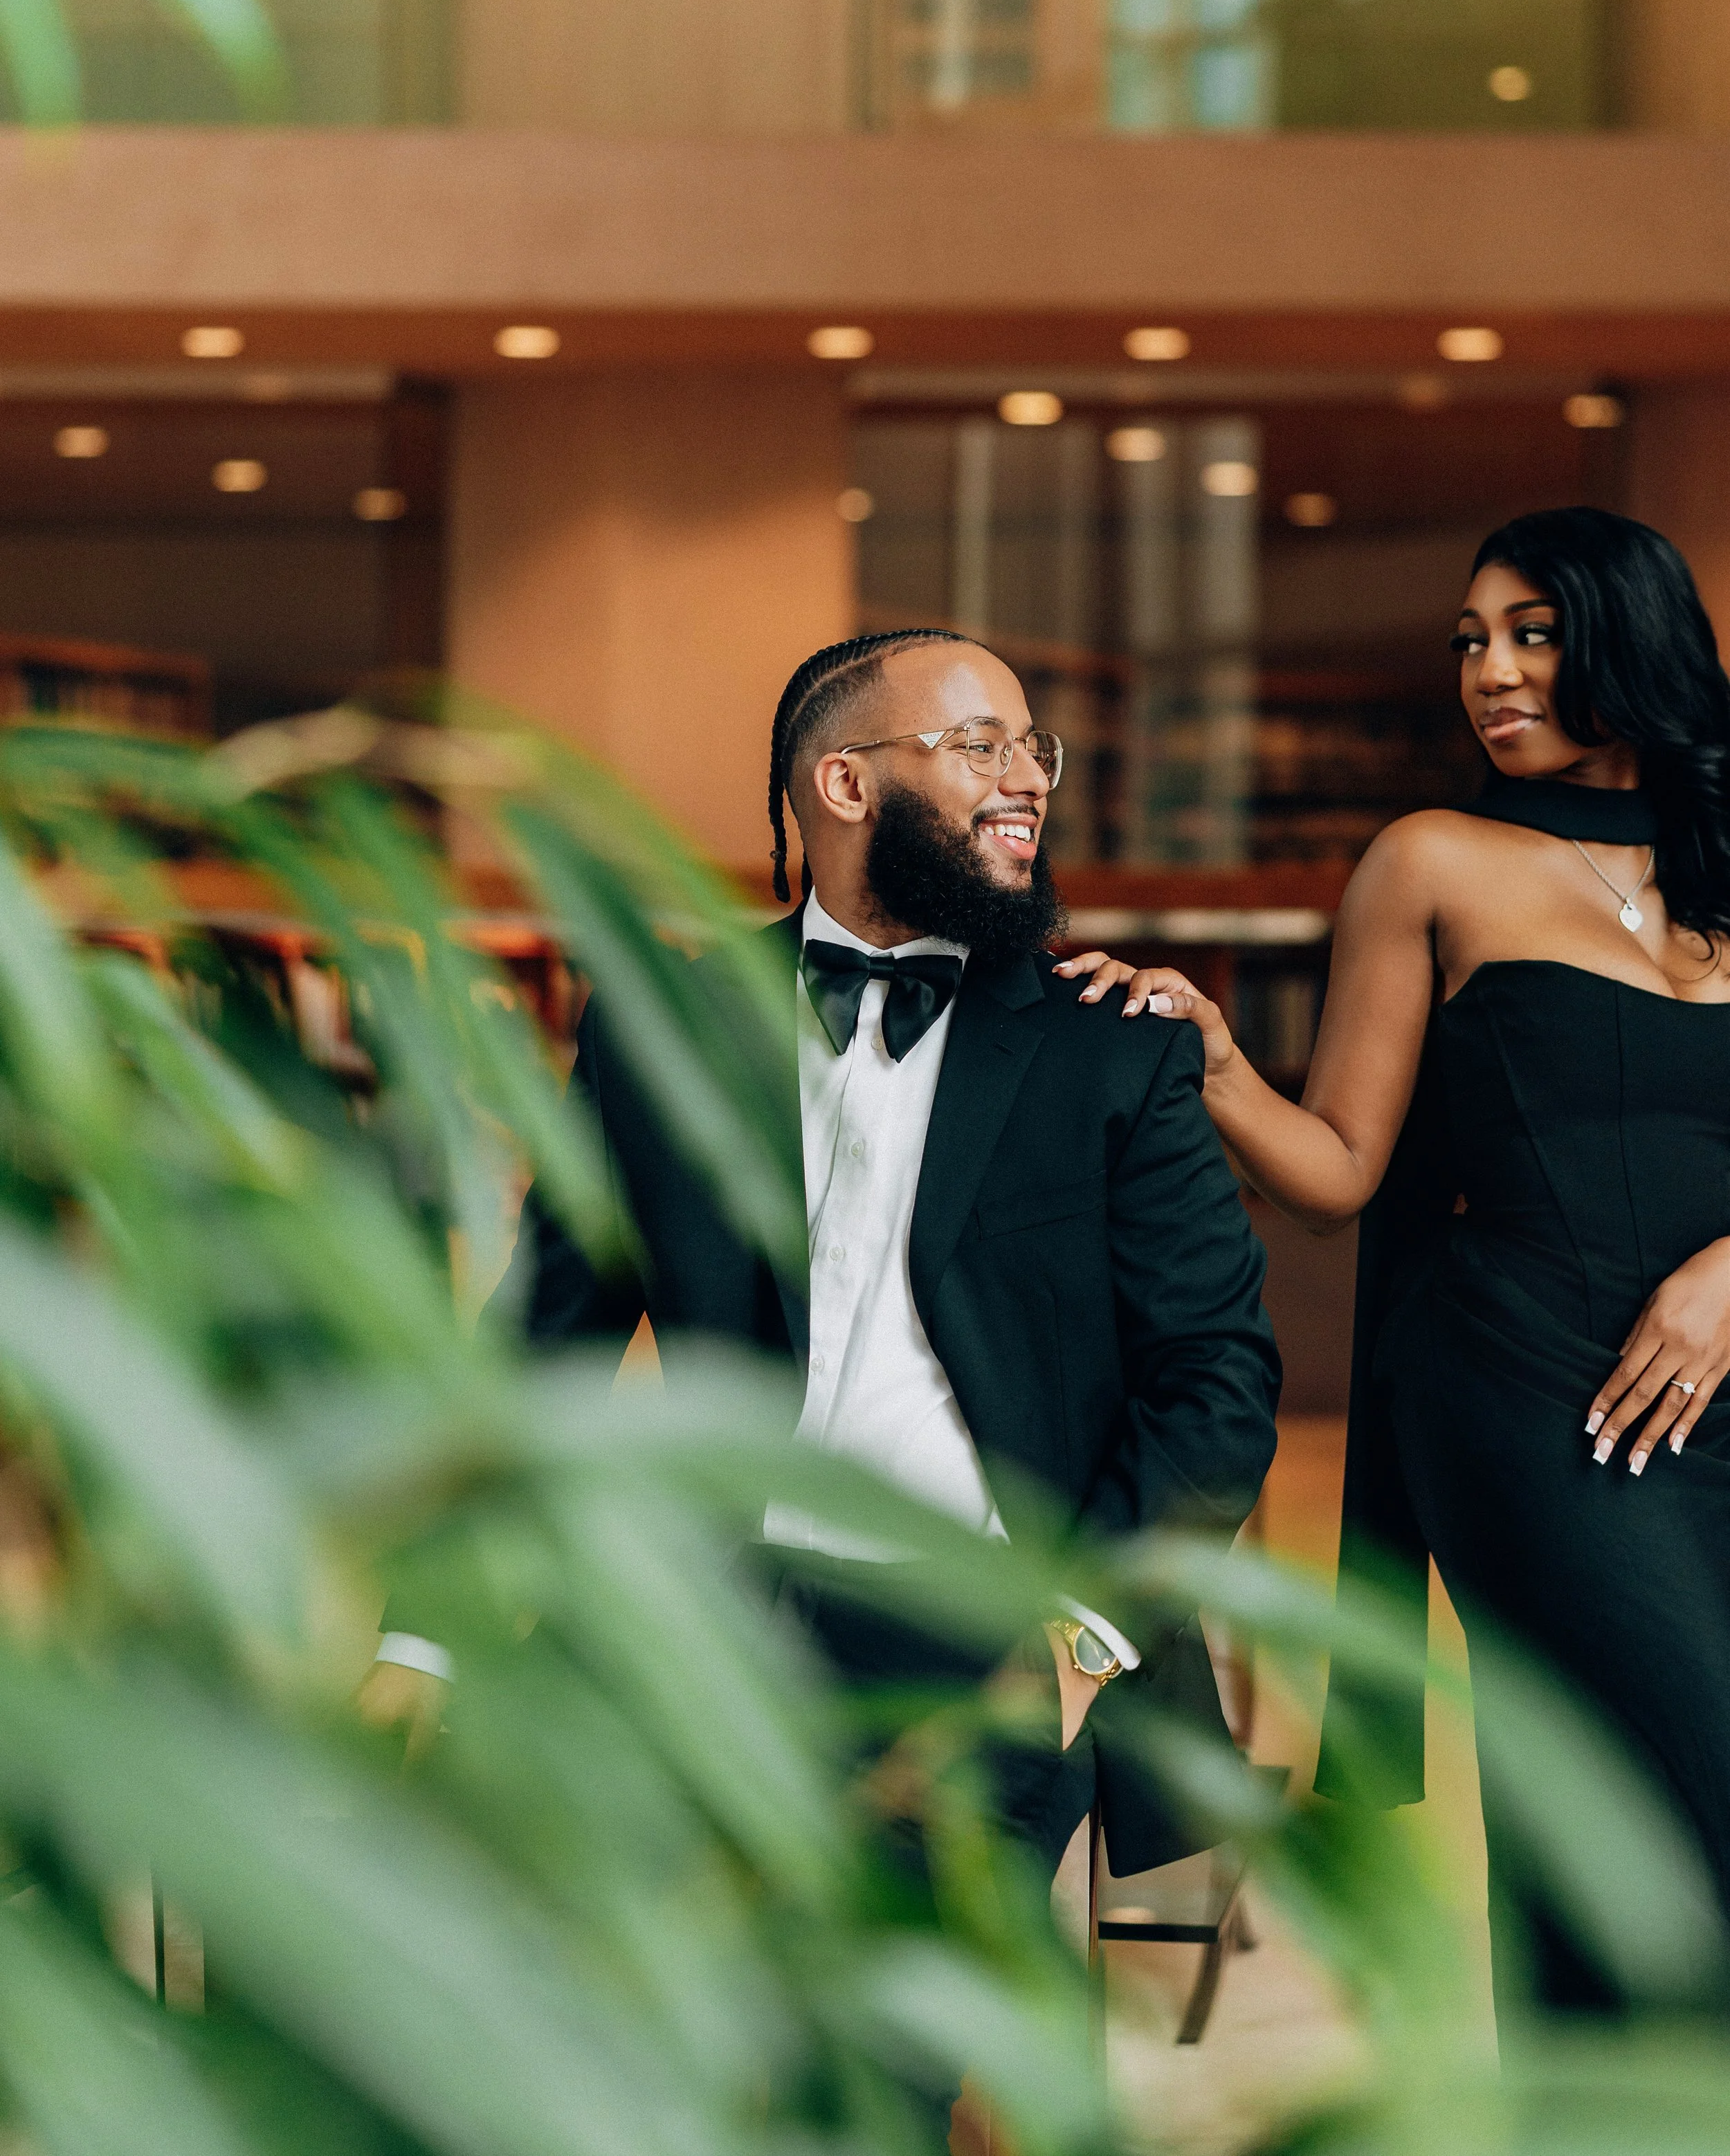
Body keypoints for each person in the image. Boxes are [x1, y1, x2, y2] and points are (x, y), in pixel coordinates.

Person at [481, 623, 1281, 1895]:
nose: (1027, 779)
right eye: (980, 746)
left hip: (987, 1644)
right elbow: (549, 1332)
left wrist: (1072, 1648)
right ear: (845, 784)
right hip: (716, 1630)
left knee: (890, 2068)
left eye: (1035, 750)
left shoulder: (1110, 1050)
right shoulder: (665, 1024)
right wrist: (429, 1634)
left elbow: (1218, 1378)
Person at [1062, 507, 1730, 2008]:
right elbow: (1336, 1175)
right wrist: (1219, 1058)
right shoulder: (1430, 859)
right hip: (1531, 1398)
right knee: (1684, 1778)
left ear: (1628, 635)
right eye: (1468, 644)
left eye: (1529, 634)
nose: (1487, 674)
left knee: (1598, 1821)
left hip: (1715, 1376)